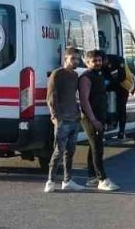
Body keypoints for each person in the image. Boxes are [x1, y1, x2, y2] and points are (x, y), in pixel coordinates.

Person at [46, 49, 85, 193]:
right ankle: (50, 181)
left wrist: (78, 113)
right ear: (65, 58)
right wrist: (56, 117)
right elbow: (51, 98)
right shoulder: (57, 74)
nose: (76, 61)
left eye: (77, 59)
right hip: (63, 120)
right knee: (58, 151)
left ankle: (67, 180)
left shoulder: (75, 75)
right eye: (73, 58)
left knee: (71, 151)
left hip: (74, 118)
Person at [81, 50, 118, 191]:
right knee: (98, 148)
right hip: (91, 118)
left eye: (99, 60)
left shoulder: (99, 75)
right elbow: (84, 101)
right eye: (94, 61)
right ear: (87, 62)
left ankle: (92, 178)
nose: (98, 63)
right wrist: (93, 120)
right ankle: (102, 179)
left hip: (99, 117)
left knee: (94, 147)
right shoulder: (86, 77)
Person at [105, 54, 135, 141]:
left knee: (121, 108)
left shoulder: (118, 60)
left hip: (124, 85)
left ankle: (121, 130)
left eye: (103, 62)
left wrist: (108, 83)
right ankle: (109, 124)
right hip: (115, 83)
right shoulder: (103, 63)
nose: (101, 64)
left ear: (106, 60)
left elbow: (122, 77)